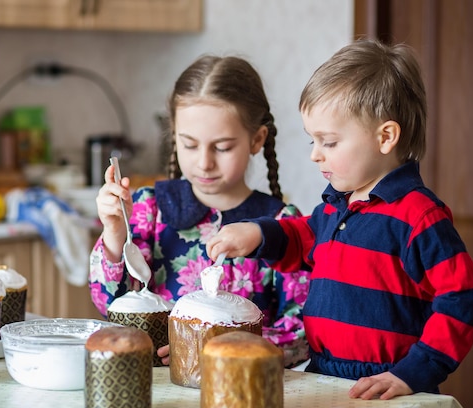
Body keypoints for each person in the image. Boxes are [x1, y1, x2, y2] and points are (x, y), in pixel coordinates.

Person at [205, 39, 473, 400]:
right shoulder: (336, 207)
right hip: (322, 372)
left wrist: (415, 371)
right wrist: (258, 234)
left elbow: (464, 298)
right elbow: (302, 237)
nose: (315, 156)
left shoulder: (419, 217)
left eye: (329, 142)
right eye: (312, 141)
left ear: (386, 137)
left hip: (388, 386)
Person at [88, 55, 311, 367]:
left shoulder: (280, 225)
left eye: (221, 147)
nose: (204, 162)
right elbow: (110, 306)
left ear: (257, 139)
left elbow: (301, 333)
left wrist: (224, 349)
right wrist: (114, 233)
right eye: (190, 145)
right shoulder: (148, 209)